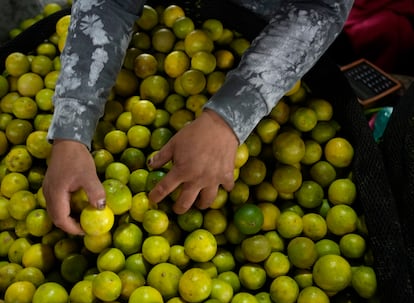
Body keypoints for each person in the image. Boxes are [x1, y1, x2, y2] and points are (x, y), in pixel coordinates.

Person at [42, 0, 354, 235]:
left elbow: (321, 7)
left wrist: (228, 119)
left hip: (280, 36)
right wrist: (72, 124)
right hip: (179, 27)